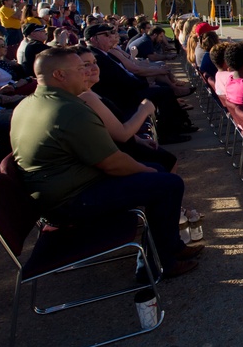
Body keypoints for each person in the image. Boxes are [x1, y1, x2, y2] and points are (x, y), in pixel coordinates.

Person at [11, 47, 200, 279]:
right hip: (71, 200)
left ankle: (171, 247)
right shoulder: (67, 110)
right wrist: (146, 171)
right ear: (59, 75)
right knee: (167, 183)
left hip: (58, 192)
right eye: (80, 68)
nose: (86, 73)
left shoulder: (29, 103)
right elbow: (113, 163)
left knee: (161, 174)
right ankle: (159, 264)